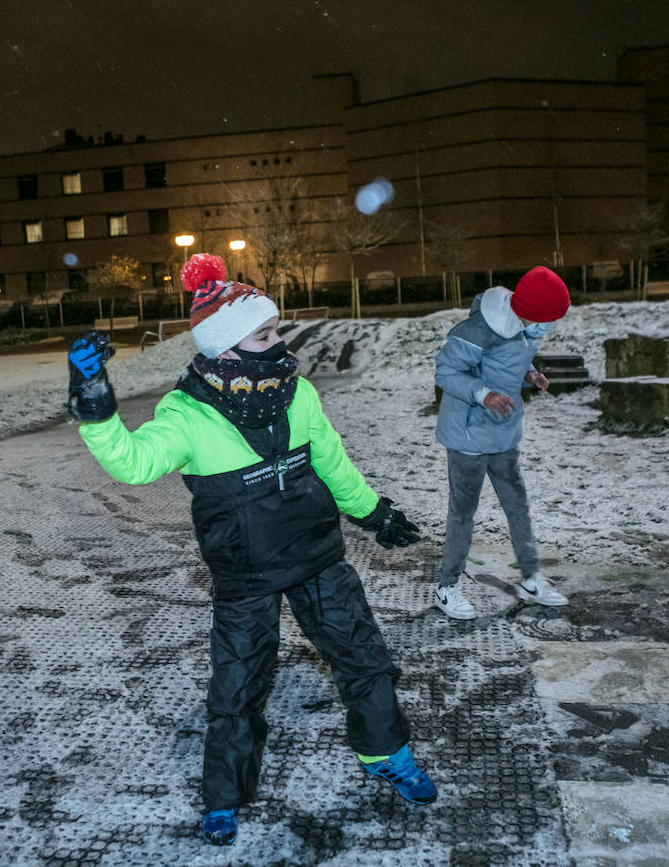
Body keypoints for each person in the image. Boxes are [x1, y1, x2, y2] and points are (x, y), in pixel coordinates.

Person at [67, 253, 434, 847]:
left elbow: (332, 462)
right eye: (266, 333)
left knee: (364, 660)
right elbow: (132, 463)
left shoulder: (299, 394)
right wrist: (94, 401)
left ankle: (385, 754)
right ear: (226, 347)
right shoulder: (186, 414)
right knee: (237, 689)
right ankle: (225, 797)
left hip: (318, 556)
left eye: (276, 330)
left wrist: (374, 512)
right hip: (245, 574)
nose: (279, 341)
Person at [432, 266, 572, 620]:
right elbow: (446, 373)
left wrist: (530, 374)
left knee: (517, 505)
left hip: (503, 433)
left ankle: (530, 578)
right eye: (548, 318)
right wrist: (483, 394)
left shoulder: (527, 326)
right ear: (529, 310)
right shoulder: (478, 331)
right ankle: (447, 587)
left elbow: (512, 359)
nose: (549, 326)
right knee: (463, 513)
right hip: (468, 435)